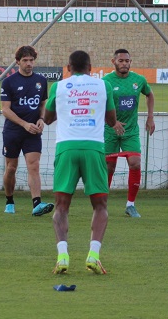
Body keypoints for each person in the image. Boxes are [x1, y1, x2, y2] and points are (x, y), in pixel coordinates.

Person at [44, 50, 117, 274]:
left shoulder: (59, 86)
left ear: (68, 67)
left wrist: (65, 110)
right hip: (93, 147)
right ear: (91, 67)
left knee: (61, 206)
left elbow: (47, 119)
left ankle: (63, 257)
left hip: (66, 147)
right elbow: (112, 120)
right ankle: (93, 256)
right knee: (100, 205)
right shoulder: (102, 85)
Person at [0, 45, 54, 216]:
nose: (29, 63)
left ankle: (36, 204)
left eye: (31, 60)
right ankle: (9, 200)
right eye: (25, 60)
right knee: (11, 168)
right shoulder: (9, 82)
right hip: (13, 131)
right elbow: (5, 109)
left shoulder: (41, 81)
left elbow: (43, 104)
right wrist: (24, 124)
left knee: (34, 166)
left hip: (33, 132)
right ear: (18, 62)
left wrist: (41, 119)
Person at [103, 48, 155, 218]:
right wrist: (113, 122)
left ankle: (130, 205)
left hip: (130, 131)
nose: (124, 64)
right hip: (109, 130)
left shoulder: (138, 80)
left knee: (135, 162)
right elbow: (98, 105)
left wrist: (150, 117)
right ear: (114, 62)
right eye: (121, 61)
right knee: (108, 166)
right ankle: (102, 204)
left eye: (127, 61)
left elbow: (149, 94)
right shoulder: (106, 81)